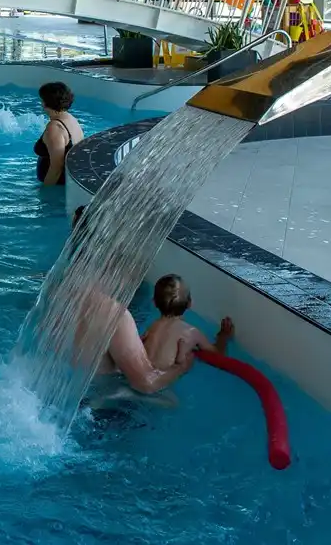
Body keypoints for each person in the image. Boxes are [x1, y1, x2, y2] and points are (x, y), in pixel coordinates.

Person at [66, 208, 196, 396]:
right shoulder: (114, 315)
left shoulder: (61, 291)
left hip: (65, 398)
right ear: (112, 256)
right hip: (102, 412)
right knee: (171, 403)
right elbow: (146, 384)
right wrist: (182, 367)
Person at [141, 274, 234, 372]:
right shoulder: (191, 332)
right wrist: (223, 336)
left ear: (154, 302)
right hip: (163, 381)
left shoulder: (152, 327)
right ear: (190, 303)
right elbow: (218, 355)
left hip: (141, 373)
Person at [34, 81, 84, 187]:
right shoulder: (70, 118)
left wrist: (45, 194)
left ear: (46, 103)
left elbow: (57, 167)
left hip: (56, 186)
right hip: (66, 183)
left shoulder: (55, 128)